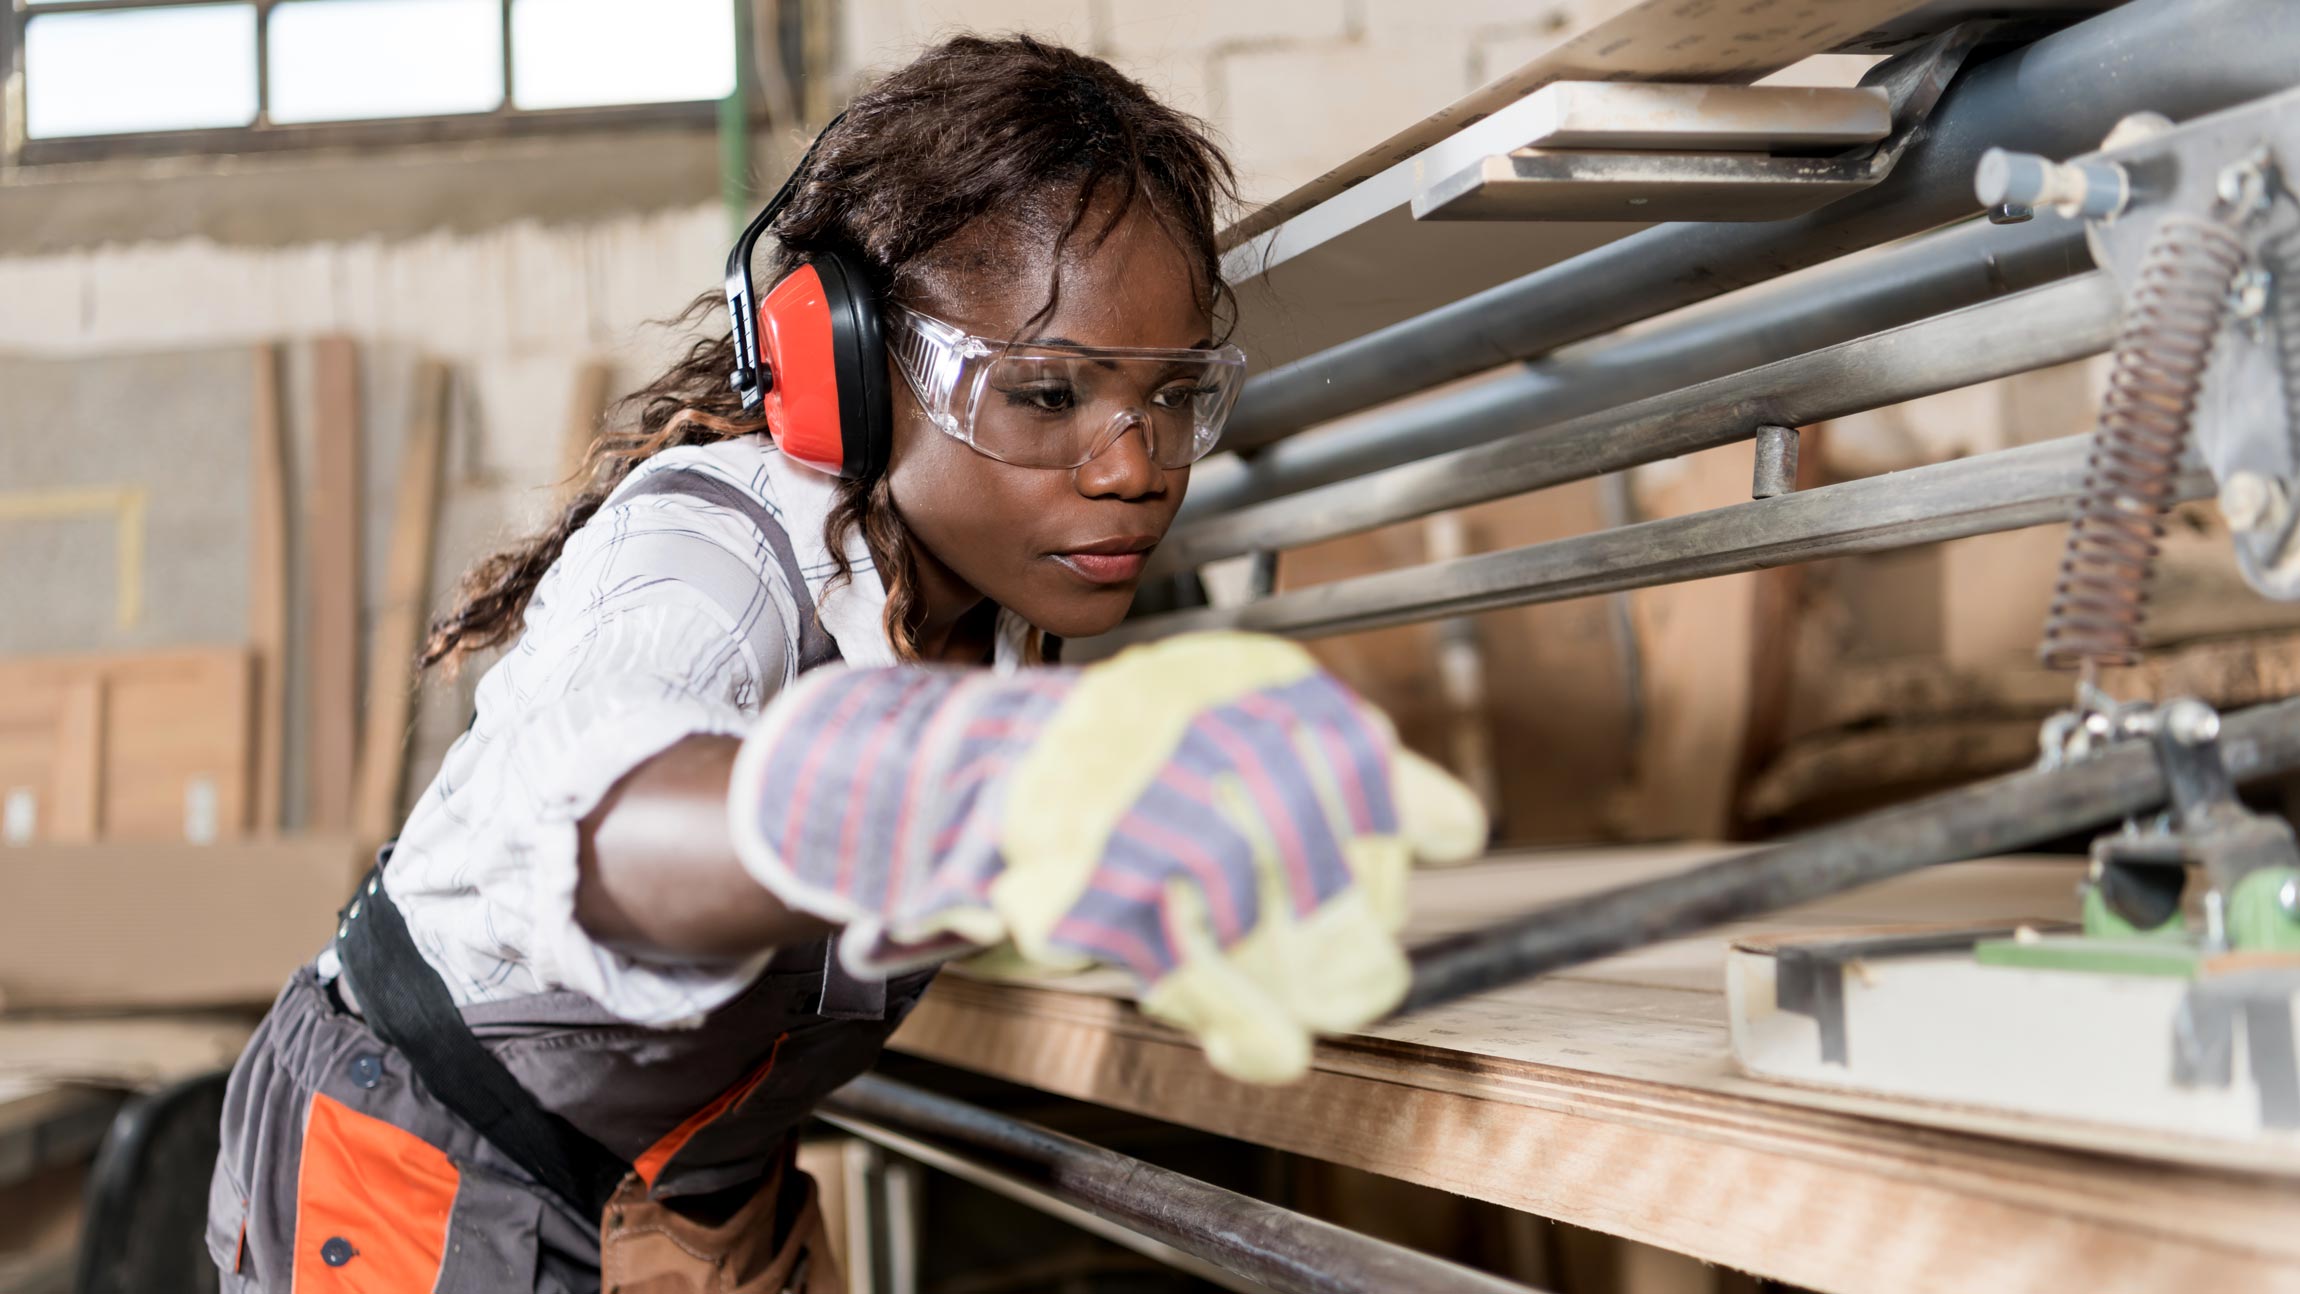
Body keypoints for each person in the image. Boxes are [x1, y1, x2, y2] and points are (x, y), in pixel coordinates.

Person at [208, 34, 1479, 1293]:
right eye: (1045, 394)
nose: (1131, 465)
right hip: (418, 1168)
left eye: (1170, 397)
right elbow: (607, 825)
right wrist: (983, 787)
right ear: (852, 366)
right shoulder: (707, 555)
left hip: (689, 1182)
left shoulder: (1000, 600)